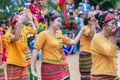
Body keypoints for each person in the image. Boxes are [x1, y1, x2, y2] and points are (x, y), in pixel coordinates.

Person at [31, 10, 85, 80]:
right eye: (58, 21)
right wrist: (33, 68)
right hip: (49, 68)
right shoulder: (43, 34)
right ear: (51, 21)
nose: (60, 24)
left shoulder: (59, 34)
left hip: (60, 66)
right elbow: (35, 51)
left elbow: (73, 42)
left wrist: (82, 29)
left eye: (61, 22)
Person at [5, 12, 36, 80]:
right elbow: (16, 37)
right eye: (19, 22)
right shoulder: (8, 33)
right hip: (14, 64)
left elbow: (34, 32)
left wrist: (32, 23)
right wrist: (20, 24)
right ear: (14, 25)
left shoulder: (24, 31)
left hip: (23, 62)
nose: (21, 23)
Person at [90, 12, 120, 79]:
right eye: (112, 23)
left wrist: (113, 36)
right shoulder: (97, 38)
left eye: (115, 23)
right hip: (101, 76)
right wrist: (113, 35)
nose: (115, 26)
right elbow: (111, 53)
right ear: (104, 25)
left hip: (111, 74)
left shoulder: (109, 37)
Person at [79, 14, 97, 80]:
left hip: (91, 52)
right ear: (88, 21)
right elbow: (90, 35)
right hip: (85, 52)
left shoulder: (92, 28)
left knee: (91, 73)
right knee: (86, 75)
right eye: (92, 18)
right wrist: (93, 24)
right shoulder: (85, 28)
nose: (93, 19)